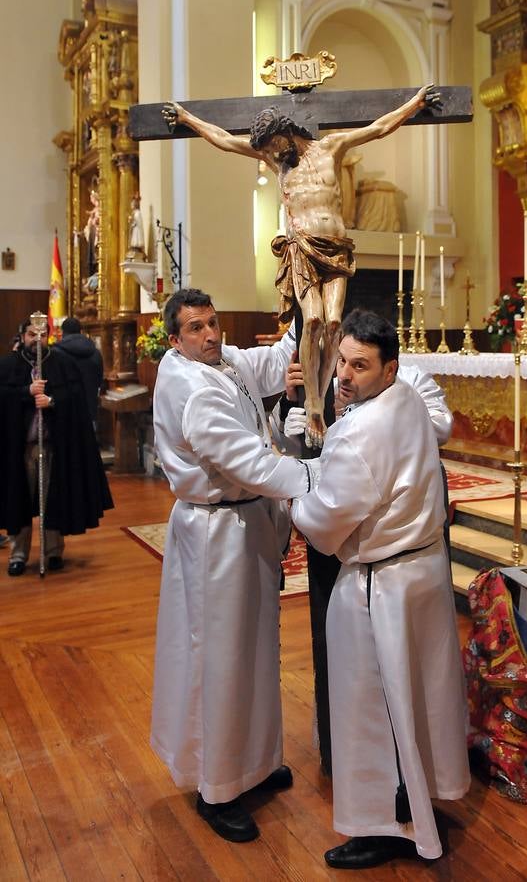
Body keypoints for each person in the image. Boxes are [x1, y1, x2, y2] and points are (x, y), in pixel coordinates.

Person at [162, 84, 442, 448]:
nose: (273, 154)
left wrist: (416, 104)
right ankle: (313, 404)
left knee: (334, 323)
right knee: (311, 321)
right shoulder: (274, 161)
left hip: (337, 246)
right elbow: (224, 140)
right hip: (303, 247)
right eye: (266, 151)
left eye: (275, 146)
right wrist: (187, 118)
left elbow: (378, 128)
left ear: (286, 132)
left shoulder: (331, 147)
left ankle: (325, 393)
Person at [291, 310, 470, 869]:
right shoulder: (408, 400)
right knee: (417, 695)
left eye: (359, 366)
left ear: (390, 368)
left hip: (379, 585)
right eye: (341, 361)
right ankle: (418, 797)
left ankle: (381, 825)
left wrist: (293, 489)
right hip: (422, 570)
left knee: (368, 703)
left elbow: (324, 523)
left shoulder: (362, 429)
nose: (343, 374)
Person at [151, 287, 317, 844]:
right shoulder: (188, 385)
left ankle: (258, 761)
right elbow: (242, 459)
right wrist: (310, 481)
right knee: (219, 655)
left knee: (257, 647)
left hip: (246, 524)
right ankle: (217, 787)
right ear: (175, 339)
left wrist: (303, 307)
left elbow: (273, 361)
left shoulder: (222, 360)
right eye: (196, 328)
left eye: (214, 323)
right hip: (215, 531)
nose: (211, 335)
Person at [0, 318, 113, 576]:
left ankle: (53, 552)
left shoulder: (62, 363)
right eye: (31, 334)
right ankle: (19, 554)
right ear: (22, 335)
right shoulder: (8, 365)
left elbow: (75, 398)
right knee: (20, 498)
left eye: (41, 334)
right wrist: (26, 392)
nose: (35, 339)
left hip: (53, 445)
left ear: (48, 335)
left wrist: (51, 400)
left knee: (53, 499)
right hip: (21, 449)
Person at [55, 317, 104, 427]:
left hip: (65, 411)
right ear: (81, 331)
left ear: (62, 332)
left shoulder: (56, 353)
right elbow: (99, 380)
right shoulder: (95, 352)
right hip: (89, 410)